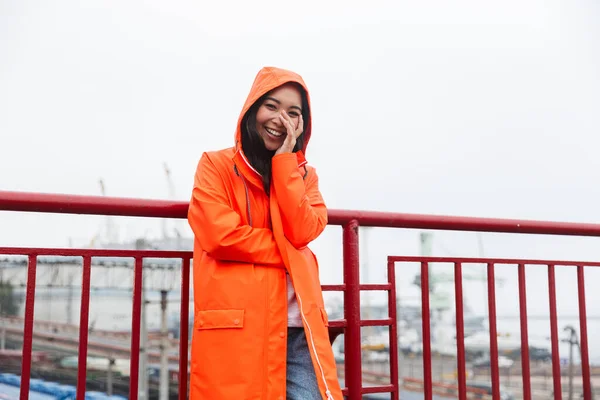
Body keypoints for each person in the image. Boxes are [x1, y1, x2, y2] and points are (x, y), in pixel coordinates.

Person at [187, 66, 342, 400]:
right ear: (252, 108)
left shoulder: (305, 176)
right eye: (271, 106)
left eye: (293, 112)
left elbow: (306, 228)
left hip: (299, 331)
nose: (279, 119)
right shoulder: (215, 166)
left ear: (302, 125)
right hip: (241, 327)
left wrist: (285, 162)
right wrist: (290, 252)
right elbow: (219, 236)